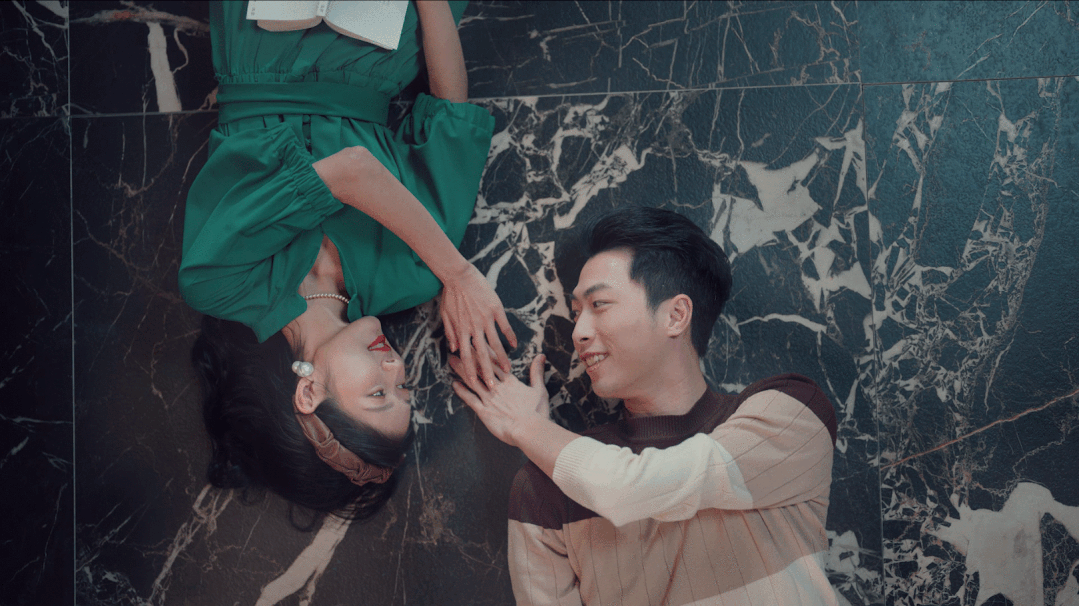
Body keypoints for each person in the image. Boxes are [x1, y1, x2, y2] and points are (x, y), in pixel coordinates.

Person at [180, 0, 516, 524]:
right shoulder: (412, 277)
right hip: (381, 36)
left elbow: (351, 171)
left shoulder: (221, 282)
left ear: (309, 391)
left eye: (379, 392)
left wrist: (458, 272)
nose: (397, 366)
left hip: (260, 34)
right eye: (405, 387)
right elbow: (450, 116)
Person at [452, 206, 839, 605]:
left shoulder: (791, 415)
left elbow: (630, 487)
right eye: (576, 312)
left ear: (676, 315)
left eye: (599, 304)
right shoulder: (544, 490)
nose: (578, 332)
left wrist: (528, 428)